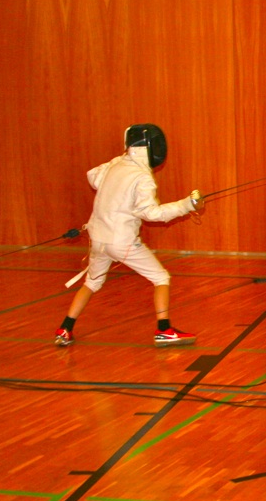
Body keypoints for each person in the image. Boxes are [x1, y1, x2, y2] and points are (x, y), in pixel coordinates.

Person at [54, 124, 202, 348]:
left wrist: (120, 160)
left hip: (98, 239)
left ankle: (65, 329)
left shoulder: (115, 165)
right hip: (121, 241)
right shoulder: (142, 177)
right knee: (161, 277)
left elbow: (93, 176)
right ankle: (164, 330)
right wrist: (187, 205)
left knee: (92, 282)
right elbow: (151, 213)